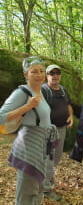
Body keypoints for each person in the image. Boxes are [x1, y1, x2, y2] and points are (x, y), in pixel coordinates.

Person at [0, 56, 57, 205]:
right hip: (29, 148)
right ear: (26, 74)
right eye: (34, 72)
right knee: (26, 190)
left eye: (41, 71)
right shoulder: (22, 93)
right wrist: (27, 107)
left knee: (37, 187)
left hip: (41, 146)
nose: (39, 74)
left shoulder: (42, 92)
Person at [41, 64, 73, 200]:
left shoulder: (63, 90)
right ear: (46, 75)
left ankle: (48, 180)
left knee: (57, 157)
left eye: (57, 73)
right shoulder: (43, 90)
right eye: (51, 73)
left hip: (62, 129)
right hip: (48, 130)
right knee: (48, 158)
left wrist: (70, 116)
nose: (55, 75)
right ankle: (45, 189)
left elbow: (68, 105)